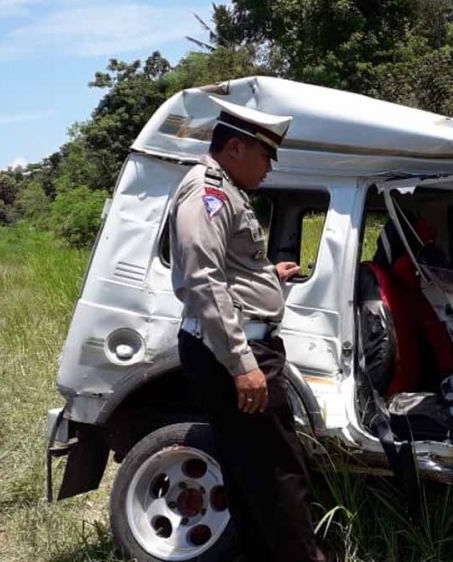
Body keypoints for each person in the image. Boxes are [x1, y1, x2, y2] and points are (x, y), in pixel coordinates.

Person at [169, 96, 326, 562]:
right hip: (235, 352)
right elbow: (201, 279)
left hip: (235, 346)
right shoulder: (208, 194)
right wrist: (242, 365)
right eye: (265, 155)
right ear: (236, 148)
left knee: (251, 470)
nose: (269, 167)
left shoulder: (226, 192)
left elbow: (226, 268)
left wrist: (267, 277)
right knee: (279, 472)